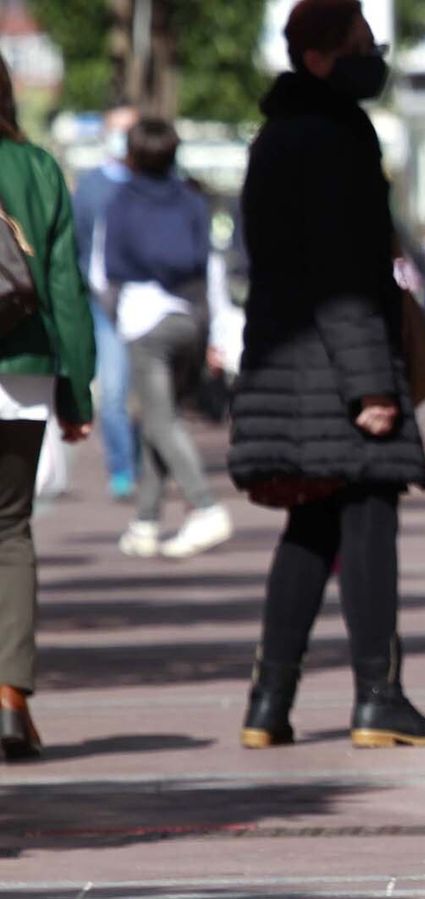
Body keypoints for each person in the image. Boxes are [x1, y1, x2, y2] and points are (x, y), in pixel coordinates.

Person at [229, 0, 425, 752]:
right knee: (367, 518)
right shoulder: (336, 136)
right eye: (360, 44)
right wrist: (372, 386)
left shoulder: (277, 135)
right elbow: (345, 274)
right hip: (336, 366)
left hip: (289, 362)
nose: (373, 57)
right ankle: (378, 697)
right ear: (320, 57)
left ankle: (268, 703)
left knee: (311, 523)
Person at [0, 55, 96, 760]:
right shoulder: (35, 168)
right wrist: (76, 387)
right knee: (9, 528)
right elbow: (64, 285)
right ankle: (9, 697)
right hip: (22, 366)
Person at [104, 118, 234, 560]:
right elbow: (207, 266)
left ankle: (205, 505)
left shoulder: (122, 202)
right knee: (162, 416)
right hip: (188, 319)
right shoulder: (191, 202)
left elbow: (107, 270)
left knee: (159, 421)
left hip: (145, 322)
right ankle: (145, 521)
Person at [71, 105, 139, 501]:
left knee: (148, 394)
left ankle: (148, 463)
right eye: (117, 130)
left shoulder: (154, 179)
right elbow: (76, 244)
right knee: (113, 392)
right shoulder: (90, 186)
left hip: (147, 304)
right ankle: (123, 468)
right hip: (104, 306)